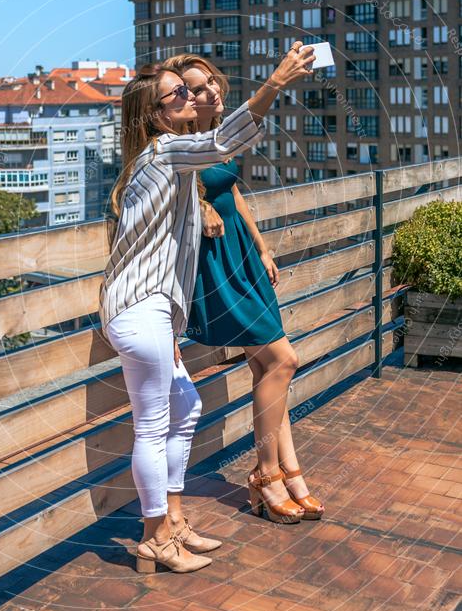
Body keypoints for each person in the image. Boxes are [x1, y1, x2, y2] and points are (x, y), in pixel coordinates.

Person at [99, 45, 315, 573]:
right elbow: (223, 140)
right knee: (151, 426)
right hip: (139, 308)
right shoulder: (164, 153)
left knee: (187, 406)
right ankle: (156, 539)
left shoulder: (160, 158)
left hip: (153, 309)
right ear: (157, 114)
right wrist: (277, 81)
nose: (190, 96)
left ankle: (172, 521)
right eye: (179, 94)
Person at [163, 51, 324, 524]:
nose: (208, 89)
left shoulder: (218, 139)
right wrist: (199, 205)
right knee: (282, 360)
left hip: (242, 256)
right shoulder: (180, 143)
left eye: (210, 80)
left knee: (269, 372)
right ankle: (266, 474)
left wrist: (262, 246)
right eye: (194, 87)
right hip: (215, 265)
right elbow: (180, 194)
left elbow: (232, 191)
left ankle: (290, 472)